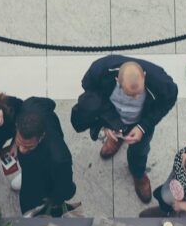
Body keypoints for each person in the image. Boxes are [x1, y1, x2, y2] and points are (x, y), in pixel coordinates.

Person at [70, 55, 179, 203]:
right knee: (114, 135)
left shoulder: (161, 82)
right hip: (113, 116)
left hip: (140, 122)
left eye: (138, 93)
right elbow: (91, 94)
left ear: (144, 76)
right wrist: (106, 123)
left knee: (140, 151)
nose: (135, 98)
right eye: (130, 94)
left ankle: (138, 173)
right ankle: (115, 141)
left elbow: (169, 99)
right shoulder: (100, 70)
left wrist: (142, 127)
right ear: (117, 80)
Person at [13, 98, 78, 216]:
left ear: (41, 136)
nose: (22, 150)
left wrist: (53, 200)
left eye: (28, 146)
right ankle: (25, 175)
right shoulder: (29, 106)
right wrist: (14, 143)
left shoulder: (59, 159)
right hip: (32, 165)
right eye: (19, 142)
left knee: (30, 207)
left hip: (44, 176)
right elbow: (50, 103)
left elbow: (66, 189)